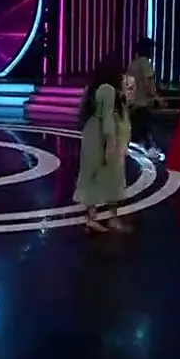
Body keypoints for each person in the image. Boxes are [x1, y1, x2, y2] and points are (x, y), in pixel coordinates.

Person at [73, 58, 131, 233]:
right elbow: (107, 118)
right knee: (112, 174)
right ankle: (111, 218)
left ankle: (92, 218)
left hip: (91, 132)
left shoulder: (93, 88)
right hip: (100, 135)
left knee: (91, 174)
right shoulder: (108, 90)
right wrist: (110, 143)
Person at [126, 38, 159, 154]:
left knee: (135, 140)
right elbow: (148, 83)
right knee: (146, 139)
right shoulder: (145, 63)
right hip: (142, 106)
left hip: (133, 106)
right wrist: (158, 98)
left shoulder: (132, 65)